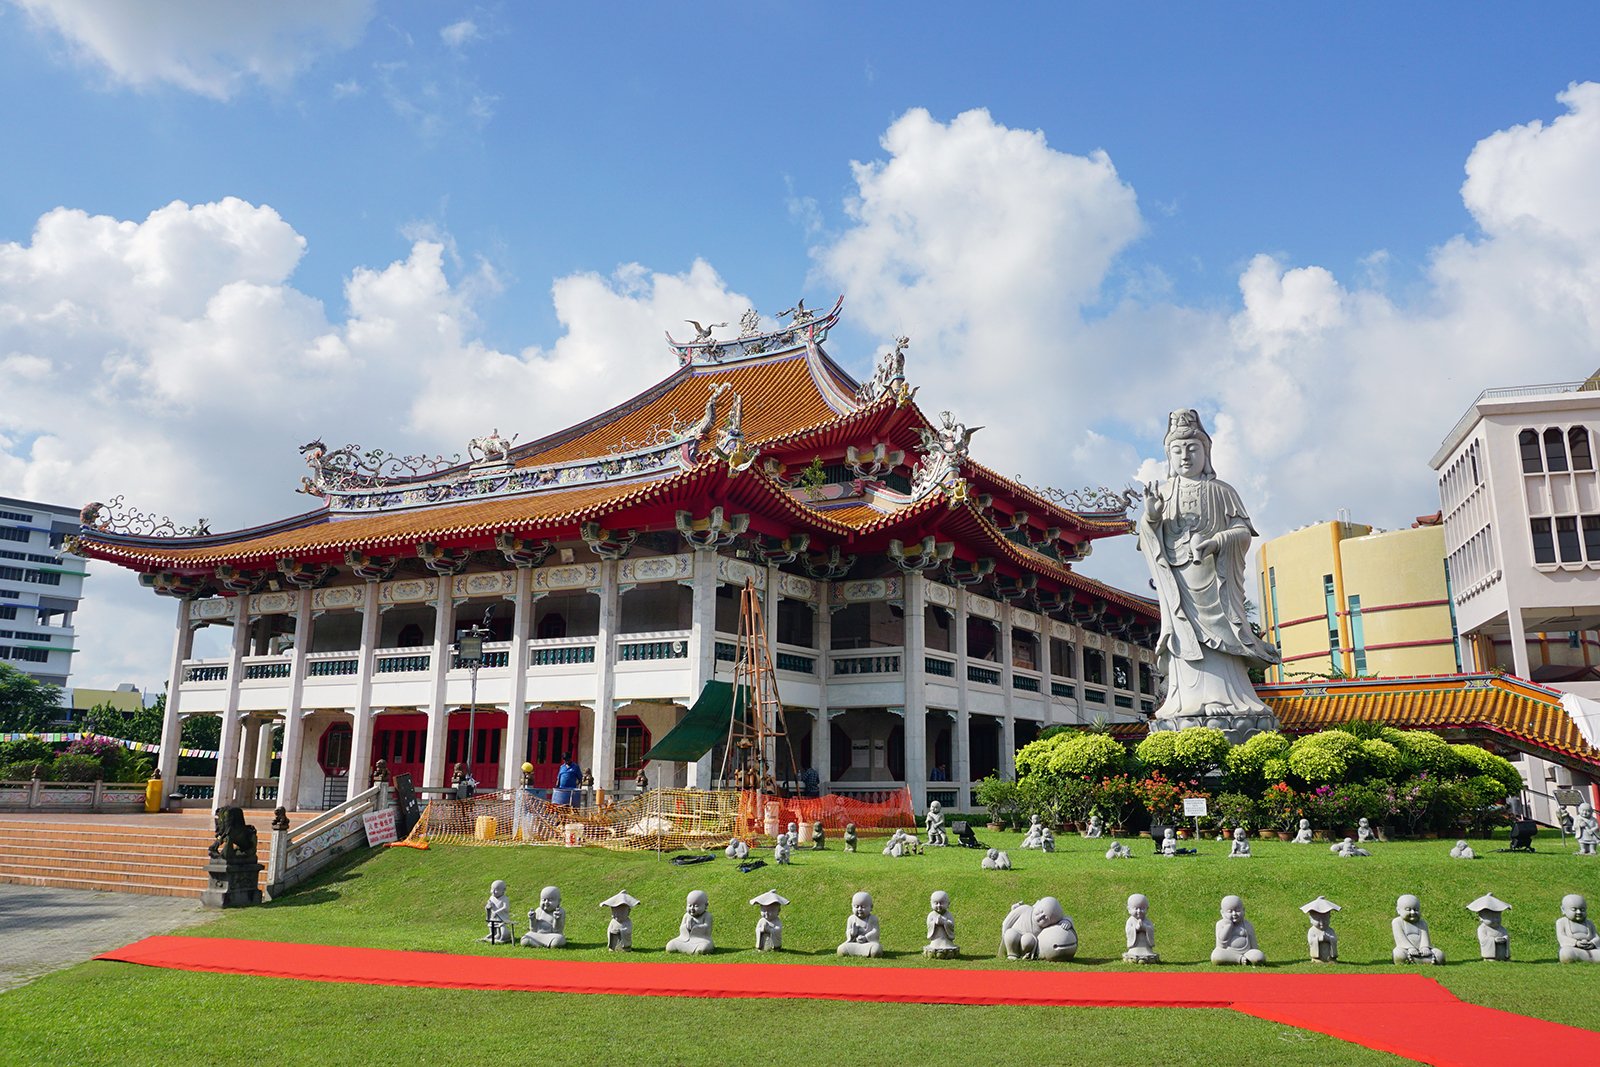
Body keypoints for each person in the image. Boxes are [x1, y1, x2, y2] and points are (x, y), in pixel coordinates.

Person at [1138, 409, 1280, 727]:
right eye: (1177, 450)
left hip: (1216, 582)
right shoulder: (1162, 492)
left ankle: (1229, 696)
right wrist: (1150, 517)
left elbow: (1243, 533)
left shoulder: (1222, 491)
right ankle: (1185, 700)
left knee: (1220, 638)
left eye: (1193, 449)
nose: (1185, 456)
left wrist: (1218, 542)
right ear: (1168, 456)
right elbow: (1147, 538)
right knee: (1182, 636)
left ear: (1206, 452)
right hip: (1179, 583)